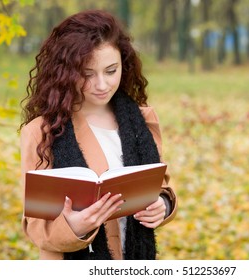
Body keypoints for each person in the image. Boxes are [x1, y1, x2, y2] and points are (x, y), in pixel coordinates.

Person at [19, 9, 177, 260]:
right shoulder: (42, 132)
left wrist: (162, 206)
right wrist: (74, 227)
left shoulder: (142, 120)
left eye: (111, 71)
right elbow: (36, 225)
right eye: (87, 74)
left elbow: (160, 186)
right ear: (66, 73)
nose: (102, 85)